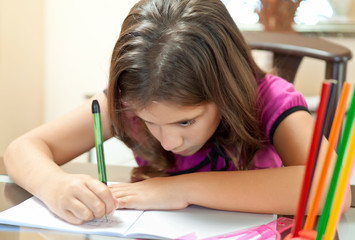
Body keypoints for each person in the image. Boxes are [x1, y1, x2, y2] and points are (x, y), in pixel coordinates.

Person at [4, 0, 350, 225]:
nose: (168, 142)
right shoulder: (129, 99)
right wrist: (54, 184)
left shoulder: (270, 101)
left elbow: (335, 191)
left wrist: (182, 189)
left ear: (225, 92)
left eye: (186, 120)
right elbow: (21, 150)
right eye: (149, 122)